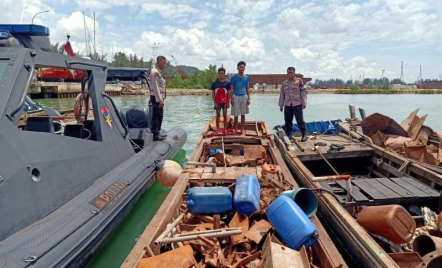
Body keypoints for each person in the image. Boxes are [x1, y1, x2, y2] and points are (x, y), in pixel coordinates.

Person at [279, 66, 307, 141]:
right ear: (287, 73)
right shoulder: (284, 83)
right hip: (288, 104)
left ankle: (304, 135)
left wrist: (304, 103)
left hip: (297, 103)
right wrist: (281, 105)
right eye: (288, 73)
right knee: (288, 120)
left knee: (300, 119)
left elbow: (303, 92)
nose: (290, 74)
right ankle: (288, 135)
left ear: (294, 73)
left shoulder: (299, 81)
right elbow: (282, 94)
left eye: (291, 73)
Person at [149, 55, 167, 141]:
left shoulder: (158, 71)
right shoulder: (154, 72)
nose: (165, 65)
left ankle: (158, 132)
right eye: (163, 63)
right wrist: (160, 100)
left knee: (160, 115)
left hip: (158, 97)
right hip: (156, 97)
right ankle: (155, 134)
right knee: (157, 115)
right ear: (159, 62)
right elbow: (156, 88)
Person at [229, 61, 250, 135]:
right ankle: (235, 129)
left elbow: (247, 89)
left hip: (244, 96)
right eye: (240, 67)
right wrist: (231, 99)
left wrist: (249, 98)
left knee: (243, 114)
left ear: (244, 68)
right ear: (237, 68)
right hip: (236, 96)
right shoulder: (233, 77)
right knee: (236, 115)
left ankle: (242, 129)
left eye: (243, 67)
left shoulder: (246, 78)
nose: (241, 68)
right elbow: (232, 89)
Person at [211, 67, 231, 133]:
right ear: (218, 74)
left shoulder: (227, 83)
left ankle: (225, 129)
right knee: (218, 115)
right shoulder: (214, 83)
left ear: (224, 74)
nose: (221, 74)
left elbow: (229, 93)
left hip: (225, 102)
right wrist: (215, 103)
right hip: (217, 102)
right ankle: (217, 129)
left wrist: (228, 102)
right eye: (220, 73)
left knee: (225, 115)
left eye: (222, 73)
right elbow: (213, 93)